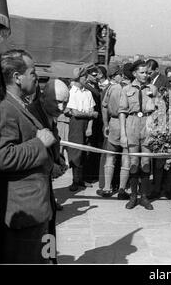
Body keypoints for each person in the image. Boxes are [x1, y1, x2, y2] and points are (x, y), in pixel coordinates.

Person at [0, 49, 57, 263]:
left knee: (43, 258)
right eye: (32, 72)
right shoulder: (3, 108)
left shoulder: (20, 105)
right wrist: (39, 144)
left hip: (35, 207)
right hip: (22, 211)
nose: (36, 77)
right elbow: (3, 157)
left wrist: (51, 163)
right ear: (17, 77)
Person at [27, 79, 70, 263]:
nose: (62, 107)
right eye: (58, 102)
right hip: (33, 188)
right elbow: (31, 149)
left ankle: (50, 259)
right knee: (41, 230)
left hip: (45, 187)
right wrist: (51, 166)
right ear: (43, 98)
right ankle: (47, 259)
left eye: (65, 102)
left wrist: (58, 157)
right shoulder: (31, 115)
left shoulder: (48, 112)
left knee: (49, 222)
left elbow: (53, 138)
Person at [118, 60, 158, 210]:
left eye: (147, 73)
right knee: (134, 163)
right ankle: (133, 196)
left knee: (146, 163)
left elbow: (157, 110)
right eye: (142, 72)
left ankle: (144, 197)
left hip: (147, 123)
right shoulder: (126, 89)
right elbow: (122, 112)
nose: (145, 75)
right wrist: (123, 133)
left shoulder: (153, 88)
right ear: (134, 73)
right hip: (132, 124)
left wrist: (154, 128)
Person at [97, 62, 131, 199]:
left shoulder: (112, 88)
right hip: (129, 123)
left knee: (110, 156)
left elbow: (104, 107)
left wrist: (106, 124)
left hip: (114, 122)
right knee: (126, 157)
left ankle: (106, 188)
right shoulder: (131, 88)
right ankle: (122, 189)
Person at [66, 64, 98, 191]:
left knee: (86, 152)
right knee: (75, 151)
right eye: (84, 76)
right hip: (76, 123)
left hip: (86, 124)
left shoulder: (88, 93)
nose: (86, 79)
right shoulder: (72, 92)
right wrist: (90, 114)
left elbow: (92, 110)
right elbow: (75, 113)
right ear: (79, 78)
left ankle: (82, 179)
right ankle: (75, 180)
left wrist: (89, 127)